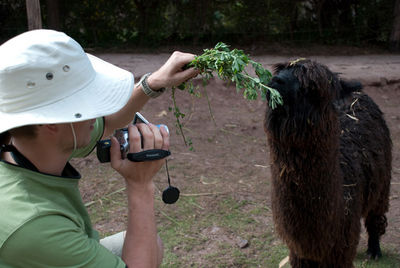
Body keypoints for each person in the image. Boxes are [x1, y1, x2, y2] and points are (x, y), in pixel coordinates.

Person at [0, 29, 198, 268]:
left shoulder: (29, 141)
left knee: (149, 243)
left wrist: (152, 84)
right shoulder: (33, 223)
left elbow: (110, 123)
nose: (96, 111)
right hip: (37, 241)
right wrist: (141, 185)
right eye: (85, 103)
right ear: (50, 122)